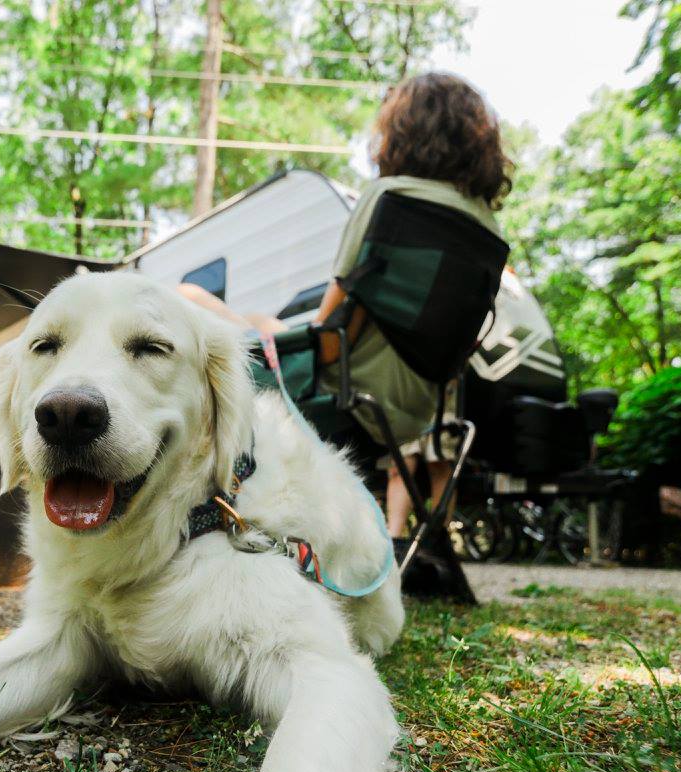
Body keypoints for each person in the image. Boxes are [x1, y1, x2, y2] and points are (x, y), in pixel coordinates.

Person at [179, 71, 511, 539]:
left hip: (354, 389)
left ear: (405, 131)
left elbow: (329, 341)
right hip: (424, 404)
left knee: (194, 312)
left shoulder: (391, 200)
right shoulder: (488, 232)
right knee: (251, 319)